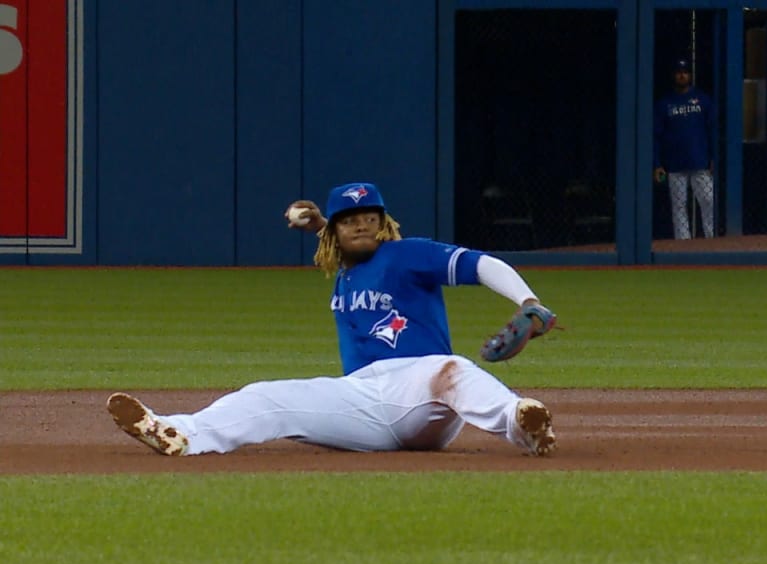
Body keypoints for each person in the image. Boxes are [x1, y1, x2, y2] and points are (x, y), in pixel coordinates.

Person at [105, 182, 558, 457]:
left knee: (452, 369)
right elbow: (340, 239)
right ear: (336, 231)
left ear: (383, 224)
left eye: (369, 218)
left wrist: (528, 301)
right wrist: (321, 222)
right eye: (350, 221)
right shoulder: (343, 265)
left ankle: (523, 425)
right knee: (265, 396)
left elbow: (482, 265)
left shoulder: (407, 254)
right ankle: (179, 433)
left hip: (422, 392)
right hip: (361, 400)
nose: (361, 225)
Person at [654, 58, 717, 240]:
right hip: (674, 163)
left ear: (690, 75)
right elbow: (656, 136)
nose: (682, 75)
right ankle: (683, 242)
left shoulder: (703, 100)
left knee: (708, 200)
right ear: (674, 75)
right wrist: (657, 164)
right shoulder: (665, 103)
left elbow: (712, 130)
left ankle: (711, 238)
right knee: (679, 205)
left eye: (685, 72)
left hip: (700, 160)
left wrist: (713, 157)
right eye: (679, 72)